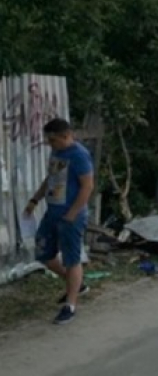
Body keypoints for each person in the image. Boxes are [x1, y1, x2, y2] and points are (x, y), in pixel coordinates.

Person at [24, 118, 94, 325]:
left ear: (66, 135)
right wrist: (35, 199)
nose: (50, 144)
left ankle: (70, 305)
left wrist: (73, 213)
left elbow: (87, 187)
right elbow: (51, 178)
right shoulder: (57, 152)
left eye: (53, 140)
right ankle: (76, 284)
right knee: (43, 252)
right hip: (53, 212)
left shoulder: (79, 155)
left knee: (72, 258)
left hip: (71, 215)